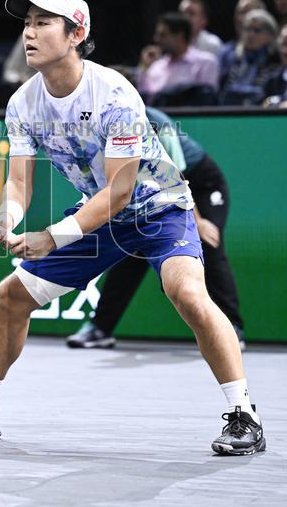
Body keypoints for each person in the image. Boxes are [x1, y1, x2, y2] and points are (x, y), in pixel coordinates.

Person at [0, 0, 265, 456]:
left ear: (76, 33)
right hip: (99, 218)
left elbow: (120, 191)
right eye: (27, 23)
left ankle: (245, 415)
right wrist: (7, 217)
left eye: (43, 23)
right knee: (11, 297)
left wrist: (52, 237)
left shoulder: (116, 95)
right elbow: (20, 184)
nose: (29, 32)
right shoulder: (22, 103)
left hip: (159, 208)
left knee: (187, 294)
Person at [66, 104, 246, 349]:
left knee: (207, 243)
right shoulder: (102, 126)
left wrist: (198, 222)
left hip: (200, 185)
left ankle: (233, 328)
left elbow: (176, 178)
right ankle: (100, 329)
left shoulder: (157, 122)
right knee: (131, 250)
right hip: (150, 191)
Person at [135, 12, 219, 105]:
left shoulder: (206, 63)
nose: (157, 39)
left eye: (163, 35)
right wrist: (144, 67)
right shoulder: (155, 67)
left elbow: (207, 101)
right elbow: (145, 101)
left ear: (179, 36)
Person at [218, 9, 281, 103]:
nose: (250, 35)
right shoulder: (234, 60)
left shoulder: (277, 62)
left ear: (270, 35)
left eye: (257, 30)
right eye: (247, 29)